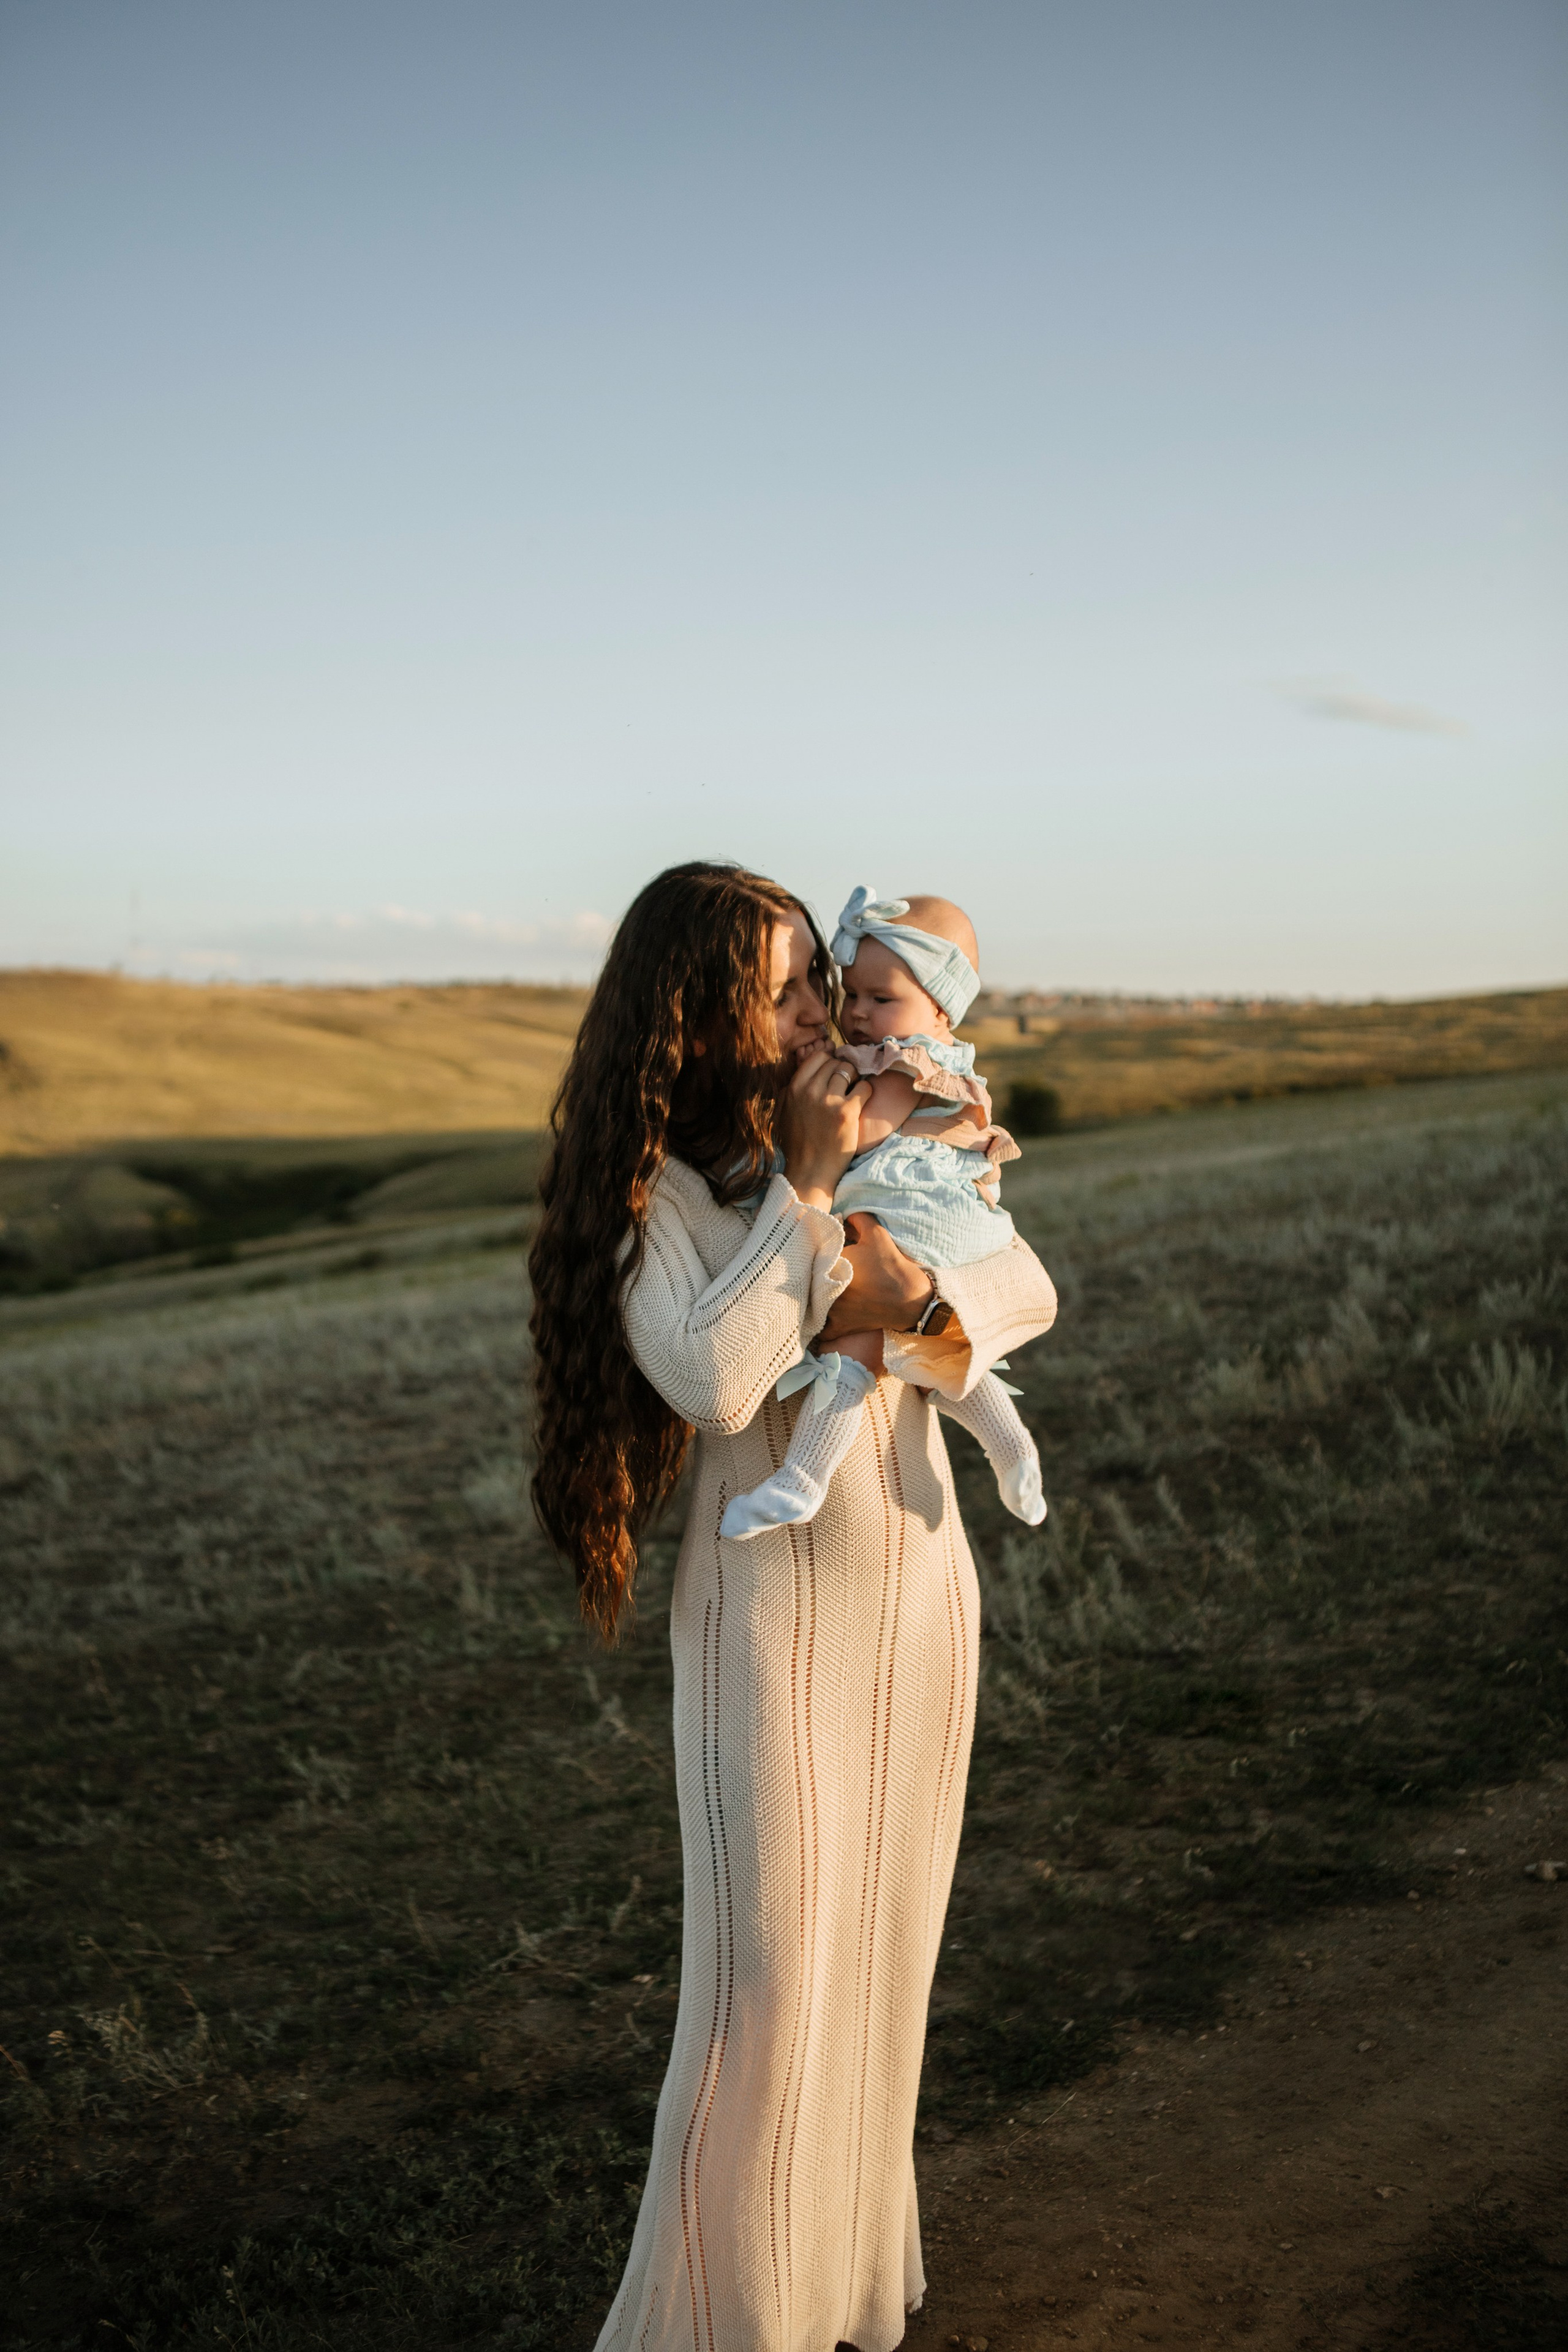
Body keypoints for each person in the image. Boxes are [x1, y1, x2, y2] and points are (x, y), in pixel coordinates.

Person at [529, 862, 1058, 2352]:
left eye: (824, 977)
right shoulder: (667, 1190)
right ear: (697, 1014)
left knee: (882, 1961)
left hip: (915, 1582)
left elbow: (1020, 1289)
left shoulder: (887, 1116)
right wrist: (813, 1199)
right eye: (789, 987)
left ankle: (831, 2294)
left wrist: (918, 1317)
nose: (827, 1006)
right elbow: (710, 1376)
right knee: (758, 1998)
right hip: (765, 1623)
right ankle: (728, 2320)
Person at [720, 885, 1046, 1543]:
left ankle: (803, 1478)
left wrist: (809, 1119)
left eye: (881, 999)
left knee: (864, 1343)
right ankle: (1012, 1453)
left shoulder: (909, 1062)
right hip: (904, 1218)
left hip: (917, 1215)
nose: (855, 1013)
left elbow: (860, 1133)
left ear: (939, 1010)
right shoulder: (883, 1052)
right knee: (925, 1343)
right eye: (852, 994)